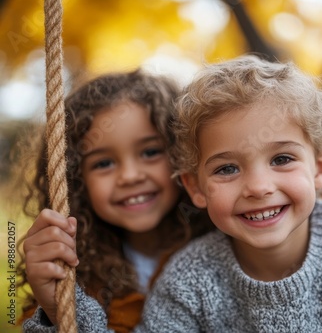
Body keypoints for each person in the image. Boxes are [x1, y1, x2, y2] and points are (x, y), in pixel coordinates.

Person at [24, 55, 322, 332]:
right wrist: (58, 306)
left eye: (281, 159)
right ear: (194, 187)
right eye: (227, 168)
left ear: (321, 166)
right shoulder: (190, 280)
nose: (257, 186)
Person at [18, 69, 214, 332]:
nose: (130, 176)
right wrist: (56, 311)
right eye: (104, 163)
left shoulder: (228, 251)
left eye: (151, 151)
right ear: (76, 181)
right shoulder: (79, 277)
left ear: (184, 155)